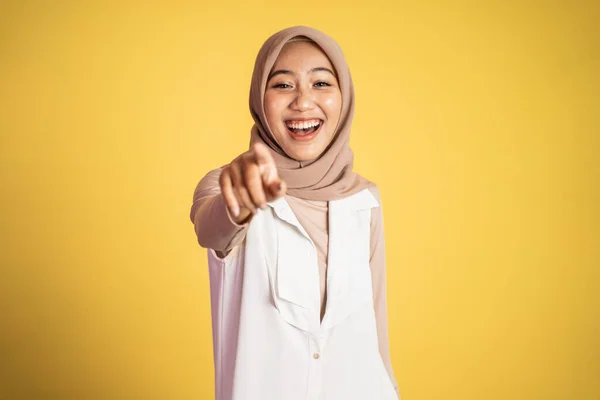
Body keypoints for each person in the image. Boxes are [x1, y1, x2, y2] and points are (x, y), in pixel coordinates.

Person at [190, 25, 400, 400]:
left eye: (321, 83)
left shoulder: (364, 200)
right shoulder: (228, 184)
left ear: (344, 96)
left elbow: (375, 333)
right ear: (259, 97)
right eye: (283, 85)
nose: (303, 102)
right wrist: (237, 204)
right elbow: (211, 229)